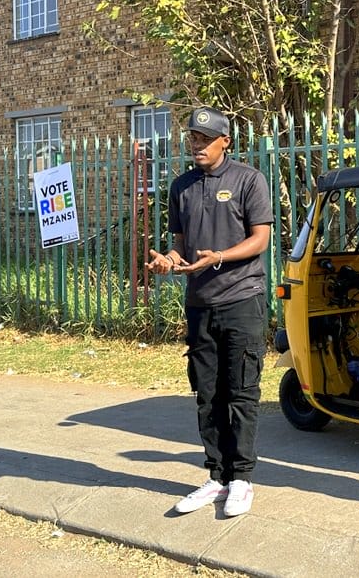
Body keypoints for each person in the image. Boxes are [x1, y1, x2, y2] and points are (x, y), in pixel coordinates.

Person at [147, 106, 273, 517]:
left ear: (226, 142)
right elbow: (179, 243)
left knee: (240, 391)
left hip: (242, 299)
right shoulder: (181, 186)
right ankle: (216, 477)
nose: (196, 145)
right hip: (200, 304)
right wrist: (168, 259)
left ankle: (241, 479)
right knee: (206, 392)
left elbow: (260, 239)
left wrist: (218, 256)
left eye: (205, 139)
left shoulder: (248, 180)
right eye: (192, 138)